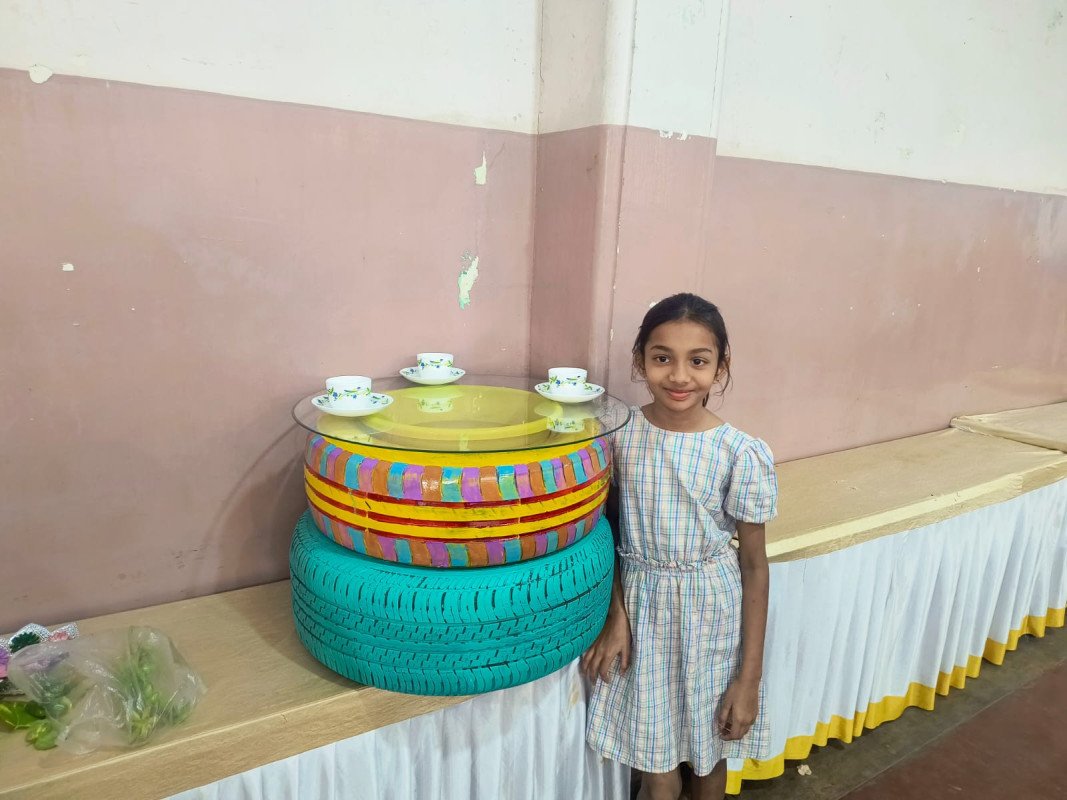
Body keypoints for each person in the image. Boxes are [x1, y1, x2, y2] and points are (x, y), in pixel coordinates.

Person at [582, 293, 777, 800]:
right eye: (662, 357)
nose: (679, 376)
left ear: (721, 367)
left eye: (698, 361)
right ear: (640, 360)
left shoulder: (740, 452)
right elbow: (609, 532)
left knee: (711, 755)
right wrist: (616, 615)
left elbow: (754, 566)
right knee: (656, 765)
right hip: (642, 612)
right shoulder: (618, 435)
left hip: (712, 616)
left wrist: (749, 680)